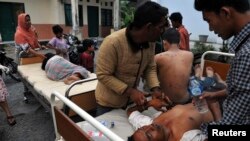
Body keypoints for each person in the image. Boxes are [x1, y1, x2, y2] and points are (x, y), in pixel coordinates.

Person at [95, 1, 167, 116]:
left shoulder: (151, 42)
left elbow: (150, 67)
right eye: (161, 27)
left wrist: (155, 89)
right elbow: (103, 75)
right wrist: (131, 91)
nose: (163, 31)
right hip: (108, 104)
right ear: (148, 27)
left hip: (130, 103)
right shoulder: (113, 42)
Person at [194, 0, 250, 136]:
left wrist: (202, 129)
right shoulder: (243, 48)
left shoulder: (246, 55)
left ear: (225, 13)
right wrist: (213, 95)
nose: (210, 29)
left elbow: (231, 128)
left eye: (209, 21)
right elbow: (235, 90)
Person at [127, 98, 220, 141]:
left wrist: (150, 103)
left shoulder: (148, 123)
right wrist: (215, 108)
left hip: (202, 96)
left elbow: (130, 112)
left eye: (142, 128)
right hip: (223, 106)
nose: (149, 128)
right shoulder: (185, 138)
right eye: (149, 135)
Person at [155, 28, 193, 104]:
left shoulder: (158, 57)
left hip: (167, 101)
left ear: (164, 43)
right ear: (179, 42)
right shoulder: (190, 55)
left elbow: (152, 77)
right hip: (185, 100)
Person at [14, 13, 46, 102]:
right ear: (21, 22)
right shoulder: (19, 33)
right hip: (22, 56)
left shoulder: (31, 28)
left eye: (29, 20)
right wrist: (40, 55)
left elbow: (35, 39)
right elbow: (27, 49)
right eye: (26, 20)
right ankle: (26, 92)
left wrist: (40, 46)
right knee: (26, 75)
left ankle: (35, 89)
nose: (29, 22)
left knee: (35, 72)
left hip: (33, 54)